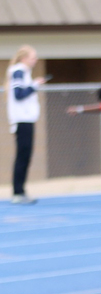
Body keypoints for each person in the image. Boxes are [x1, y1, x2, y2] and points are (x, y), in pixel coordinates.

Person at [6, 45, 48, 204]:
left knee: (26, 155)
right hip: (22, 119)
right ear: (24, 58)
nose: (35, 60)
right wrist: (34, 86)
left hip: (27, 119)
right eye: (33, 57)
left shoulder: (24, 73)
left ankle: (21, 190)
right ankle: (18, 191)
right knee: (22, 156)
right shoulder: (18, 71)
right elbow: (19, 94)